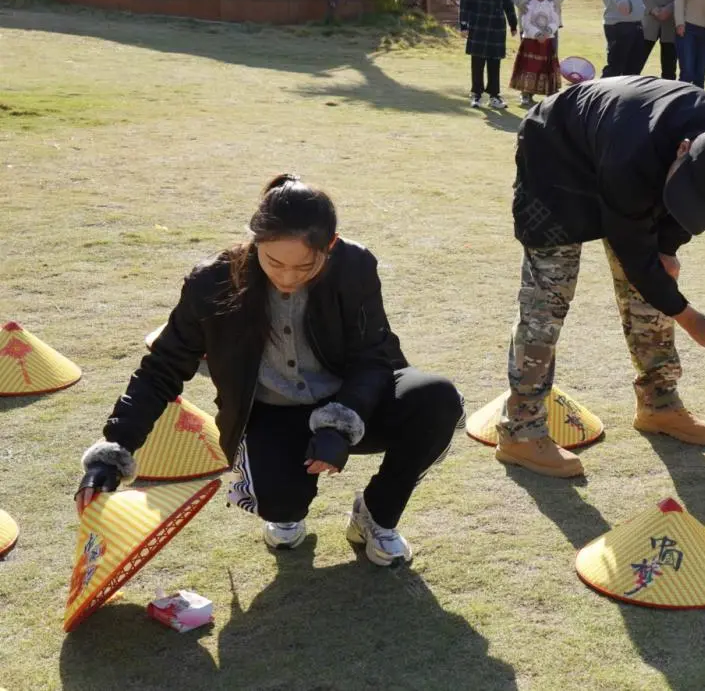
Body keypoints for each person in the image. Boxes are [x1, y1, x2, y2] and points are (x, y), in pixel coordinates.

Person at [75, 175, 463, 564]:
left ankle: (376, 514)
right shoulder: (211, 282)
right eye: (273, 261)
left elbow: (373, 354)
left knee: (437, 399)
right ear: (255, 240)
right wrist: (115, 449)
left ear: (330, 245)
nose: (288, 277)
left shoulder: (355, 265)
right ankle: (284, 509)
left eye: (305, 266)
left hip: (351, 400)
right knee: (280, 504)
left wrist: (341, 419)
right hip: (272, 411)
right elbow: (162, 367)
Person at [498, 76, 705, 478]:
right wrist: (689, 317)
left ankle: (659, 403)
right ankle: (521, 430)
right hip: (555, 160)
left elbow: (693, 204)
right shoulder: (631, 157)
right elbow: (633, 251)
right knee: (548, 299)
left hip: (626, 152)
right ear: (683, 151)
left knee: (650, 287)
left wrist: (668, 247)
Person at [460, 0, 518, 109]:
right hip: (478, 26)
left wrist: (513, 24)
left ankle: (494, 96)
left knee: (494, 62)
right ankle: (476, 95)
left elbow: (508, 2)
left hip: (496, 27)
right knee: (477, 61)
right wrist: (464, 25)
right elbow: (464, 3)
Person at [510, 0, 561, 108]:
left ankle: (551, 94)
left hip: (547, 42)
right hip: (531, 42)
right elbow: (525, 22)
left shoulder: (550, 5)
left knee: (546, 67)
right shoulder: (528, 5)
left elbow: (555, 21)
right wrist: (537, 34)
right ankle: (526, 94)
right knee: (530, 67)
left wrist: (548, 32)